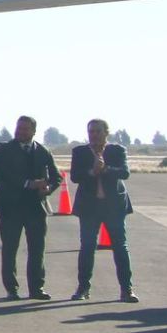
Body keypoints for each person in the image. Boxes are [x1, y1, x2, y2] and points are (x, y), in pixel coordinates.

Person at [69, 118, 137, 302]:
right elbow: (75, 176)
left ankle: (126, 289)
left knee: (120, 246)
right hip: (89, 207)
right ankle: (83, 288)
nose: (94, 135)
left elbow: (124, 172)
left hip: (113, 206)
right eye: (91, 131)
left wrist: (105, 169)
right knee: (87, 246)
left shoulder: (117, 150)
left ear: (106, 133)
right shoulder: (80, 152)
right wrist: (92, 172)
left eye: (98, 131)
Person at [0, 115, 60, 301]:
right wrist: (27, 183)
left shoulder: (43, 151)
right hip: (11, 207)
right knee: (10, 249)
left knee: (37, 249)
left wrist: (48, 188)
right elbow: (3, 174)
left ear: (33, 131)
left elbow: (56, 177)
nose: (20, 132)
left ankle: (37, 288)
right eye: (19, 128)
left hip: (36, 207)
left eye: (25, 129)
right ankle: (11, 289)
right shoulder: (5, 149)